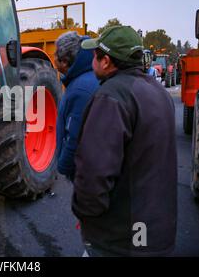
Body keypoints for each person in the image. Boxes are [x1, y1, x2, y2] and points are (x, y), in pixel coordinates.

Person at [72, 26, 177, 257]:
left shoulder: (111, 97)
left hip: (119, 241)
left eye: (95, 55)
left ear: (106, 61)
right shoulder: (159, 92)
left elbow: (93, 172)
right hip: (157, 233)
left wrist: (87, 215)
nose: (92, 60)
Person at [54, 32, 100, 182]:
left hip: (86, 175)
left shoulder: (80, 90)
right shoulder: (88, 78)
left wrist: (63, 166)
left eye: (55, 55)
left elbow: (75, 137)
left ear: (65, 62)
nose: (53, 58)